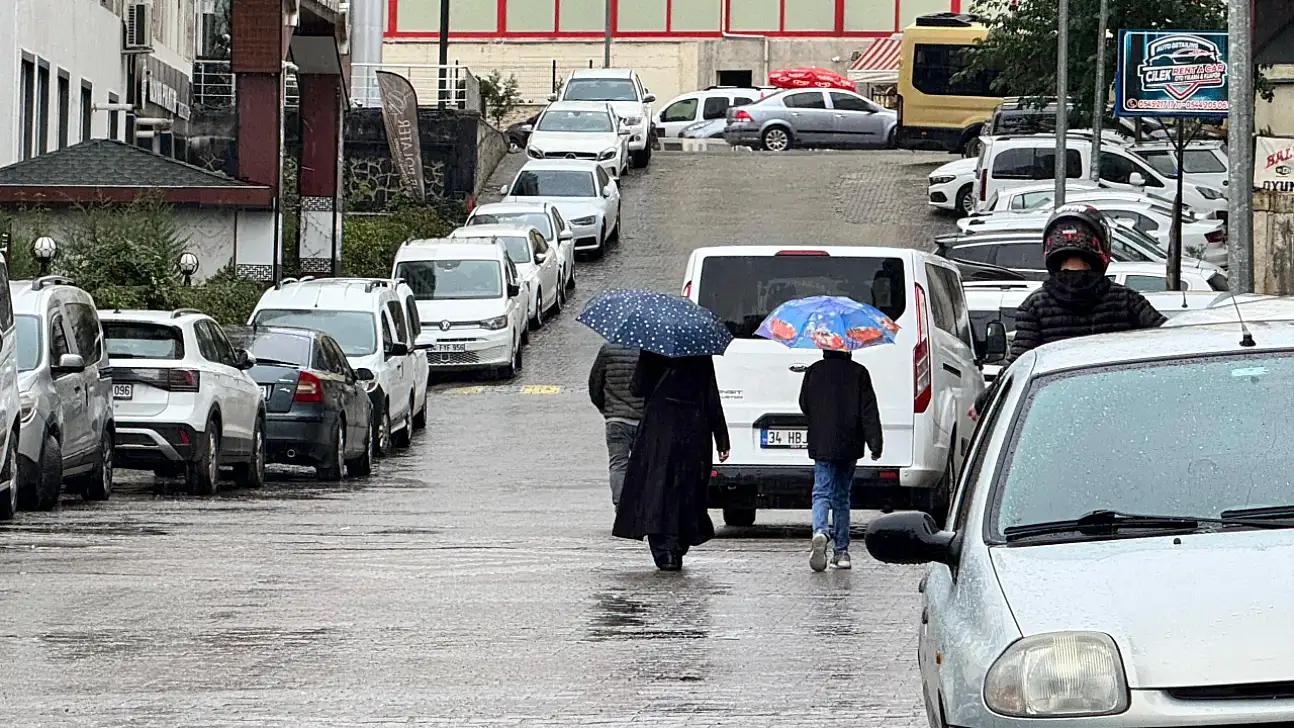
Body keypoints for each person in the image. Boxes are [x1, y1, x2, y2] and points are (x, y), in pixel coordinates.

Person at [972, 205, 1167, 417]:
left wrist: (983, 402)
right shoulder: (1128, 301)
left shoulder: (1035, 306)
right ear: (1101, 247)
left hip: (1059, 416)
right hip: (1120, 410)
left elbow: (1018, 366)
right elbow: (1170, 342)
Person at [612, 351, 730, 571]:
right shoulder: (700, 355)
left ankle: (665, 549)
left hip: (659, 430)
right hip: (693, 430)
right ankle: (677, 544)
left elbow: (637, 388)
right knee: (686, 490)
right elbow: (711, 396)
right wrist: (722, 438)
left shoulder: (651, 351)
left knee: (657, 490)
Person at [799, 349, 883, 572]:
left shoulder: (814, 371)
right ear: (849, 348)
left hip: (822, 442)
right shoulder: (859, 373)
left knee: (821, 491)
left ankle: (820, 531)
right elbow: (869, 412)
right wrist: (875, 444)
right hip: (849, 443)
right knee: (841, 497)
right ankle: (841, 552)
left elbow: (804, 404)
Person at [587, 342, 644, 509]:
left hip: (616, 419)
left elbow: (595, 383)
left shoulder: (608, 350)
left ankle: (621, 505)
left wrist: (606, 409)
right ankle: (642, 505)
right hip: (643, 419)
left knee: (618, 464)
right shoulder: (649, 352)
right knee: (644, 465)